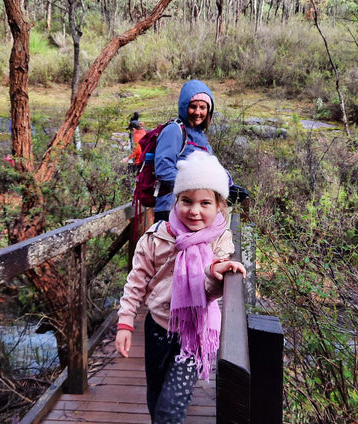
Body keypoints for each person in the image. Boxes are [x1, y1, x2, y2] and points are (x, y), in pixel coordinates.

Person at [115, 150, 246, 424]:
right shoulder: (156, 237)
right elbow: (136, 283)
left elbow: (210, 288)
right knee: (155, 400)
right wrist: (125, 324)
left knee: (170, 409)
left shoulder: (220, 240)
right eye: (186, 200)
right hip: (157, 329)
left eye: (205, 203)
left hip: (193, 333)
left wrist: (215, 271)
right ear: (176, 200)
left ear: (219, 206)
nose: (194, 211)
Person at [153, 80, 215, 222]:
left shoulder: (201, 136)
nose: (198, 112)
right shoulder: (174, 130)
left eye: (202, 107)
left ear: (209, 110)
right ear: (184, 106)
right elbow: (163, 169)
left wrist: (226, 184)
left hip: (195, 211)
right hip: (170, 209)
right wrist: (193, 186)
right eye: (193, 106)